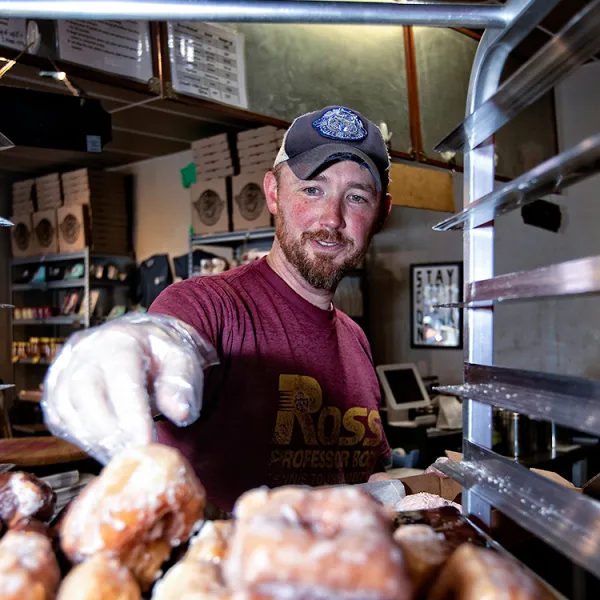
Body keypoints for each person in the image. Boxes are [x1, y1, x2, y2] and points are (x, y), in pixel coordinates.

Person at [43, 105, 394, 513]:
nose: (331, 219)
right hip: (215, 572)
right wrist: (127, 347)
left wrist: (406, 493)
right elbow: (168, 338)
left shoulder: (356, 341)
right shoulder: (207, 305)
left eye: (356, 197)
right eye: (312, 189)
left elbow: (362, 474)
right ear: (274, 193)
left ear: (381, 214)